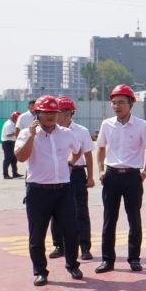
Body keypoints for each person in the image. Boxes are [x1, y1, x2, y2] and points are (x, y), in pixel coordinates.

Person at [14, 95, 89, 286]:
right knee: (37, 234)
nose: (50, 116)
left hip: (63, 189)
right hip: (38, 191)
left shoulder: (66, 133)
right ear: (37, 114)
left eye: (54, 112)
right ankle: (40, 271)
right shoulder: (26, 133)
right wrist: (32, 136)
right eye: (46, 112)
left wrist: (71, 163)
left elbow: (78, 149)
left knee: (71, 231)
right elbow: (21, 157)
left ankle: (72, 265)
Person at [94, 84, 146, 273]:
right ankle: (107, 260)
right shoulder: (107, 124)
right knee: (109, 219)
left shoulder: (142, 125)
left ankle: (134, 258)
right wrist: (101, 171)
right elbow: (100, 148)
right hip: (111, 176)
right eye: (114, 103)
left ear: (131, 104)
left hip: (132, 177)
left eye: (121, 102)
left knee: (134, 219)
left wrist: (145, 172)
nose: (117, 106)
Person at [49, 96, 94, 262]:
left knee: (80, 211)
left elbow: (88, 154)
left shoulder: (81, 131)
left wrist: (90, 177)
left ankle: (85, 247)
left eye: (59, 112)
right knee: (55, 211)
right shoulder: (49, 131)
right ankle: (59, 246)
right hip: (56, 175)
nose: (54, 115)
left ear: (69, 113)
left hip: (76, 174)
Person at [1, 111, 20, 179]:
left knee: (14, 158)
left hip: (12, 142)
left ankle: (15, 173)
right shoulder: (9, 124)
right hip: (7, 143)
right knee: (8, 158)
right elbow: (8, 134)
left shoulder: (13, 123)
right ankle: (5, 174)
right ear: (14, 118)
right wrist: (17, 132)